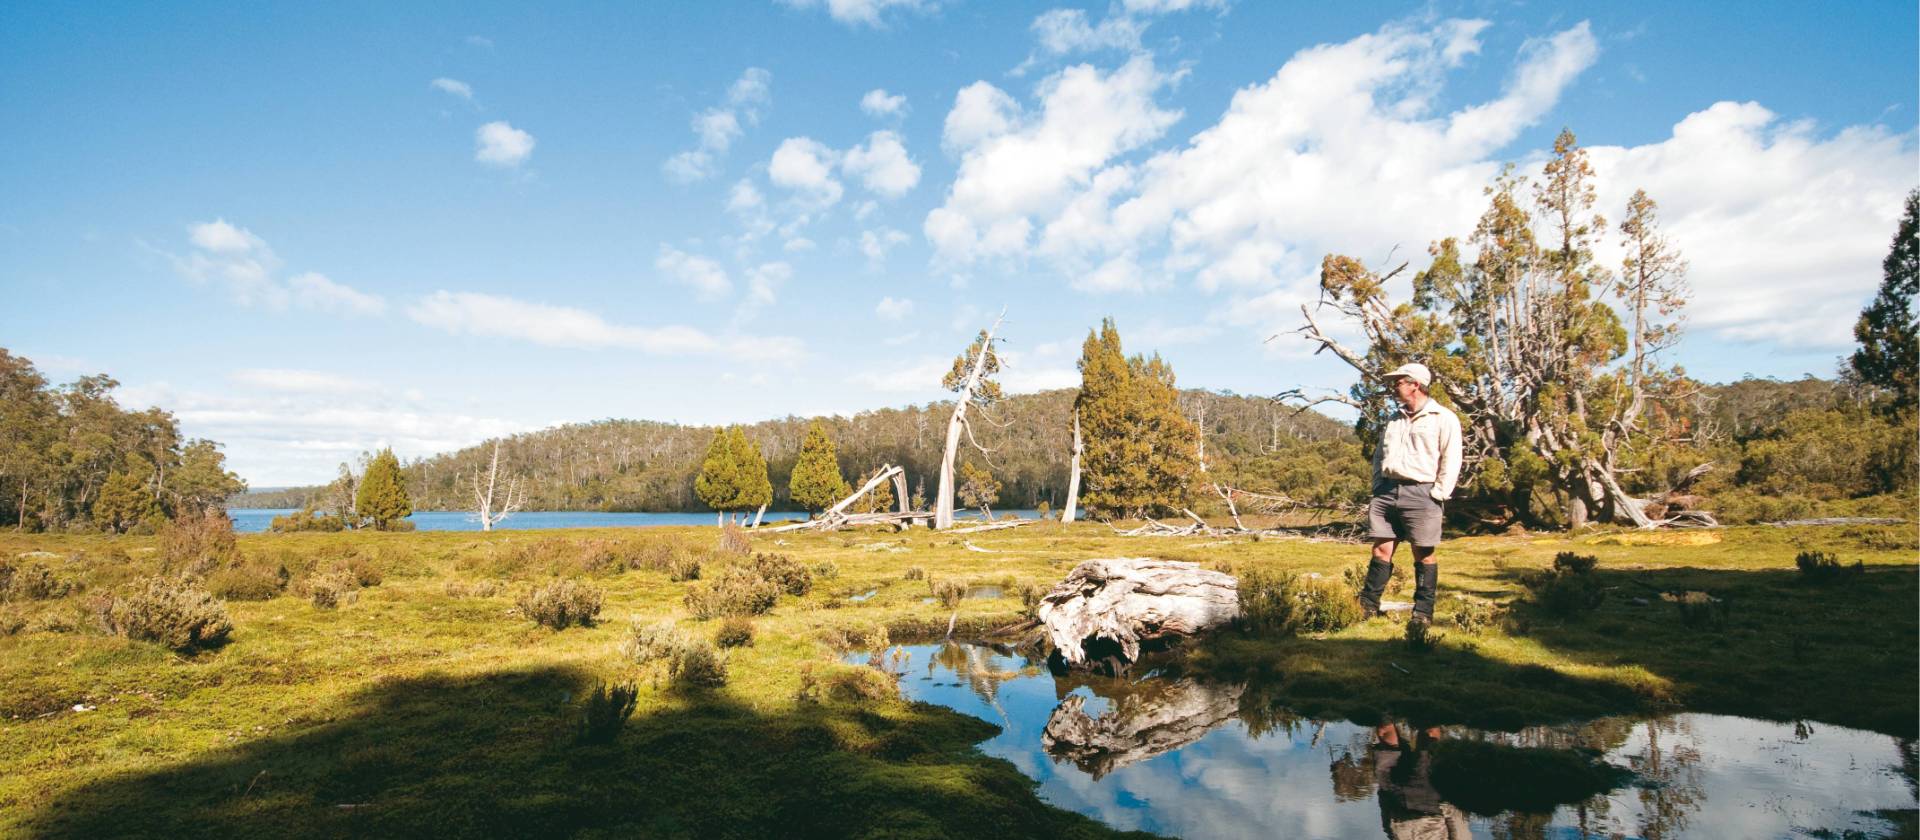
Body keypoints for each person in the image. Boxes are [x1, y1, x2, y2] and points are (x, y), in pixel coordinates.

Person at [1357, 362, 1462, 626]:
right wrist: (1377, 486)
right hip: (1387, 492)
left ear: (1415, 384)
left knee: (1423, 553)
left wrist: (1438, 493)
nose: (1394, 386)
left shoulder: (1444, 417)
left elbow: (1452, 458)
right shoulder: (1394, 419)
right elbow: (1380, 454)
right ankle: (1367, 607)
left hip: (1422, 493)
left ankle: (1422, 613)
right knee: (1381, 550)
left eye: (1399, 381)